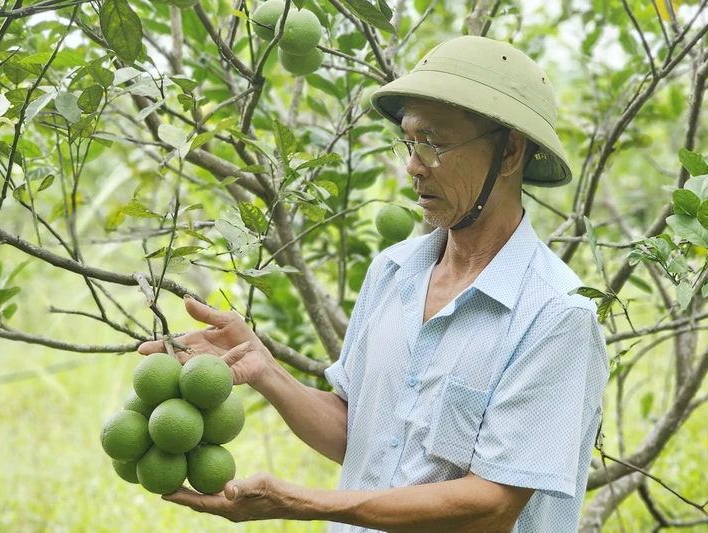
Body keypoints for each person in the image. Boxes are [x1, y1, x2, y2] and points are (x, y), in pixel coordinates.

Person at [138, 35, 610, 533]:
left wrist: (305, 502)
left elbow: (490, 505)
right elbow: (359, 433)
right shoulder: (393, 272)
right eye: (409, 141)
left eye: (435, 142)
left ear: (510, 150)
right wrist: (264, 369)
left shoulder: (558, 316)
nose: (412, 164)